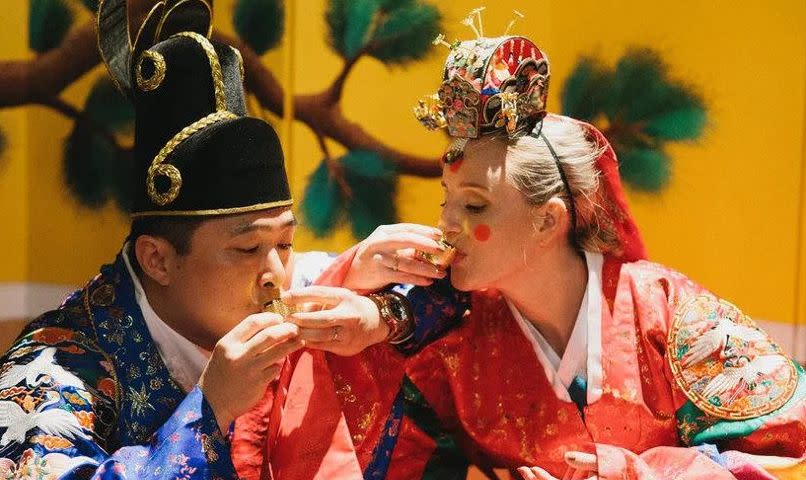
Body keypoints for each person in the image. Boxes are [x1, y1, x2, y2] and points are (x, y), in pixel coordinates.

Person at [274, 26, 806, 480]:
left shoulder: (669, 313)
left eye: (475, 206)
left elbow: (789, 444)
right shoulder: (457, 338)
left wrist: (638, 471)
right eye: (446, 201)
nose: (446, 225)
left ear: (548, 220)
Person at [0, 2, 443, 477]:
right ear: (158, 260)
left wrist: (382, 313)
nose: (277, 275)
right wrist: (210, 409)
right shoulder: (55, 370)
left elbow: (456, 299)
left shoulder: (285, 283)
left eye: (287, 243)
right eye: (248, 249)